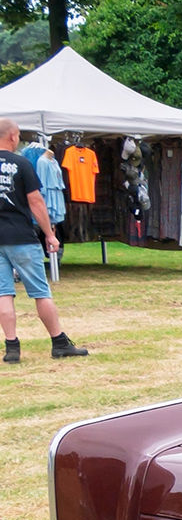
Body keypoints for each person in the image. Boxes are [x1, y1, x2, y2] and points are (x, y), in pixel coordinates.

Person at [0, 118, 87, 363]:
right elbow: (36, 201)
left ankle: (12, 347)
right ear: (13, 136)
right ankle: (59, 342)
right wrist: (50, 234)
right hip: (21, 237)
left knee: (3, 293)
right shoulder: (22, 163)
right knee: (40, 291)